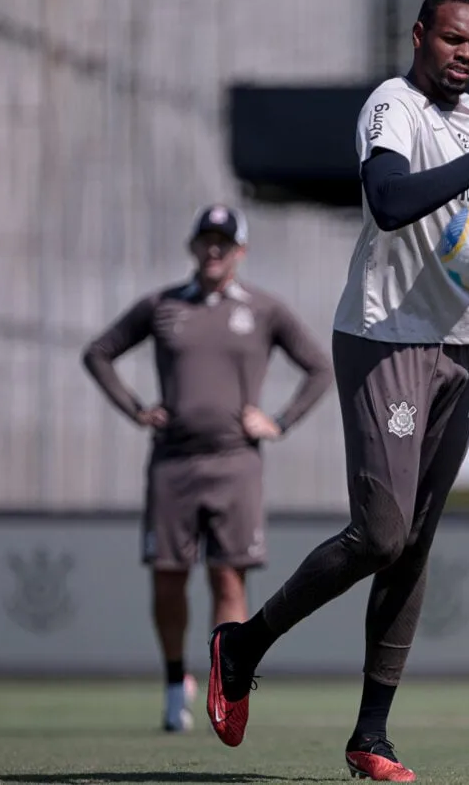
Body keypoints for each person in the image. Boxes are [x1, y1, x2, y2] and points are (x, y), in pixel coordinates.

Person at [205, 0, 469, 781]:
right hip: (384, 336)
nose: (464, 54)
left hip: (461, 344)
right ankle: (242, 644)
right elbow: (390, 199)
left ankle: (371, 736)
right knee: (381, 531)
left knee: (416, 544)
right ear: (419, 37)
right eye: (450, 39)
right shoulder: (393, 105)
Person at [82, 204, 333, 733]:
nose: (214, 250)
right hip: (172, 463)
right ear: (193, 247)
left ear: (241, 251)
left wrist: (280, 421)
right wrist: (136, 409)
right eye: (206, 240)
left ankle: (227, 686)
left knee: (227, 574)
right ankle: (176, 683)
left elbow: (318, 366)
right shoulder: (163, 306)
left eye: (225, 241)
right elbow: (99, 353)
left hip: (235, 464)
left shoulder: (264, 309)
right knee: (168, 578)